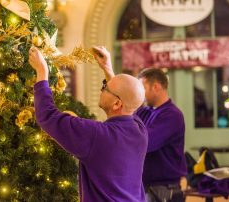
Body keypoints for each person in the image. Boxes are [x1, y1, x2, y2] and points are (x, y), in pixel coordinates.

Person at [29, 46, 148, 202]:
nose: (102, 88)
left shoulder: (97, 135)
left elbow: (47, 115)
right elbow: (126, 96)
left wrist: (42, 72)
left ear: (117, 104)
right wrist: (107, 68)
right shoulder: (140, 129)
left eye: (105, 87)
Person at [136, 68, 187, 202]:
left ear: (156, 87)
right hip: (146, 186)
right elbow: (124, 126)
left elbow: (146, 143)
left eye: (143, 88)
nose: (140, 93)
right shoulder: (144, 112)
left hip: (163, 189)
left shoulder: (172, 115)